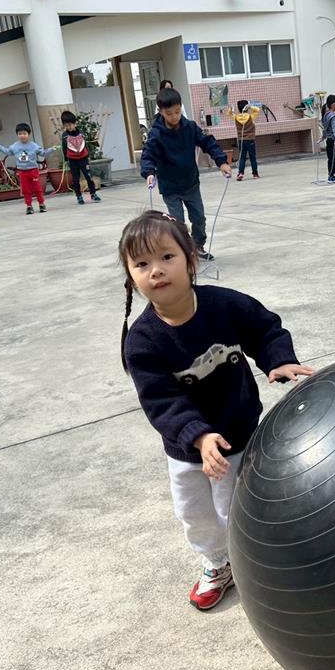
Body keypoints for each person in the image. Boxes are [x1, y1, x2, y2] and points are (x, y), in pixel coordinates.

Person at [119, 210, 314, 610]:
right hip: (187, 451)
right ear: (131, 277)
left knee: (239, 508)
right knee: (197, 515)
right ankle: (217, 563)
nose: (156, 270)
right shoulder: (143, 341)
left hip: (238, 435)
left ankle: (256, 561)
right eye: (141, 263)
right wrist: (198, 435)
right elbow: (160, 400)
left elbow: (264, 328)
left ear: (190, 259)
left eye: (167, 257)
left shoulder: (224, 305)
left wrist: (277, 359)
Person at [141, 87, 231, 261]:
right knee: (177, 223)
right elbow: (148, 155)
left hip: (191, 183)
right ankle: (182, 251)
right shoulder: (156, 134)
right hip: (170, 187)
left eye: (177, 111)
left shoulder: (190, 127)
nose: (174, 117)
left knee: (199, 218)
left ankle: (198, 246)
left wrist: (222, 162)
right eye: (169, 114)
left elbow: (208, 142)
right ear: (160, 111)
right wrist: (149, 173)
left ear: (180, 107)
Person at [0, 124, 55, 215]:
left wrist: (51, 149)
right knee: (26, 190)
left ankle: (41, 204)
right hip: (22, 172)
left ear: (29, 134)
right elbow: (7, 152)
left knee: (37, 188)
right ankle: (29, 206)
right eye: (20, 133)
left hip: (33, 170)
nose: (22, 135)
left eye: (24, 133)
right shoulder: (15, 146)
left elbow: (43, 153)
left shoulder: (34, 146)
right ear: (17, 135)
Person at [60, 111, 102, 205]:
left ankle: (93, 194)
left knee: (88, 176)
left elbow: (85, 144)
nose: (69, 127)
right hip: (72, 160)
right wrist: (66, 159)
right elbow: (64, 147)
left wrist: (88, 156)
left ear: (75, 123)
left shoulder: (81, 133)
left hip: (83, 158)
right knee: (75, 179)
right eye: (66, 125)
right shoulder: (65, 135)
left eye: (70, 125)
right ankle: (79, 196)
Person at [227, 99, 261, 181]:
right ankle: (255, 174)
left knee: (242, 157)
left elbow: (229, 113)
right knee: (252, 157)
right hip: (250, 140)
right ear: (246, 107)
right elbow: (257, 110)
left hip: (241, 140)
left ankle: (240, 173)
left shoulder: (236, 117)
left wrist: (231, 108)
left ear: (238, 108)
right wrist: (250, 107)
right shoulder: (250, 116)